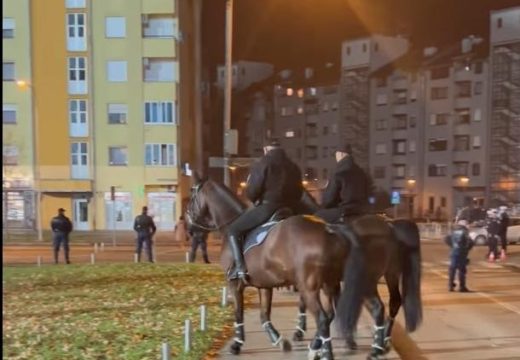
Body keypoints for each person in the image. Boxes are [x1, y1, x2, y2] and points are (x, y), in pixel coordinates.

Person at [226, 139, 303, 281]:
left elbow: (253, 190)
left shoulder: (263, 163)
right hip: (291, 209)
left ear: (266, 149)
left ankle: (240, 268)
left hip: (268, 207)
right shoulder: (293, 166)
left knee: (233, 230)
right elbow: (299, 192)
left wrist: (255, 200)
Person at [315, 143, 372, 223]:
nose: (336, 158)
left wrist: (322, 203)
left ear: (340, 154)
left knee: (317, 216)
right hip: (361, 211)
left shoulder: (339, 172)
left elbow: (328, 200)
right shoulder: (360, 172)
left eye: (336, 155)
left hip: (346, 212)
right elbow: (369, 193)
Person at [444, 219, 474, 292]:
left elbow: (446, 239)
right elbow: (469, 242)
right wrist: (467, 248)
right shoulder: (465, 232)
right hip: (462, 253)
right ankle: (462, 286)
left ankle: (450, 286)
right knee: (462, 269)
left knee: (452, 269)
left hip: (454, 251)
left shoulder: (453, 231)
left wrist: (452, 246)